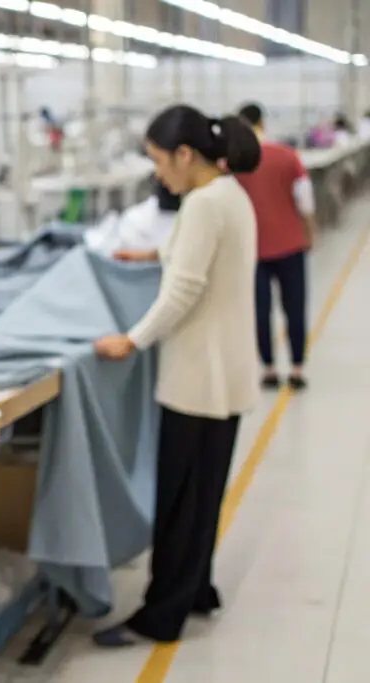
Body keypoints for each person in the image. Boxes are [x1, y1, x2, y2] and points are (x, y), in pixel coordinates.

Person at [92, 105, 262, 647]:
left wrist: (132, 339)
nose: (159, 175)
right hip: (227, 372)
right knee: (203, 494)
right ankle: (197, 589)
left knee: (177, 504)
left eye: (160, 162)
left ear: (185, 155)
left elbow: (184, 289)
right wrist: (149, 253)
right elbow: (195, 254)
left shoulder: (202, 205)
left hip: (197, 377)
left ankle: (160, 616)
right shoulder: (229, 194)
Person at [236, 103, 317, 391]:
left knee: (260, 310)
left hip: (254, 249)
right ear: (262, 122)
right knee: (295, 306)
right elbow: (305, 200)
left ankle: (269, 368)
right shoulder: (287, 156)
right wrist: (309, 233)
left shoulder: (237, 165)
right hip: (290, 245)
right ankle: (297, 367)